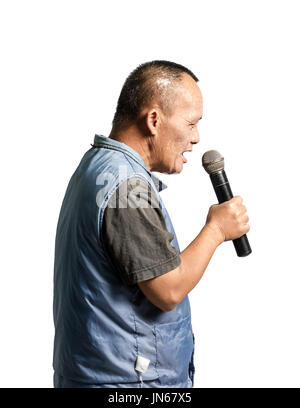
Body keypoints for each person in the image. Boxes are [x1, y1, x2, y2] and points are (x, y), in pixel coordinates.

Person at [52, 60, 250, 388]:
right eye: (191, 123)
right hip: (130, 385)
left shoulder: (97, 166)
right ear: (154, 120)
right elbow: (167, 290)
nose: (196, 138)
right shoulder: (126, 186)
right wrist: (216, 230)